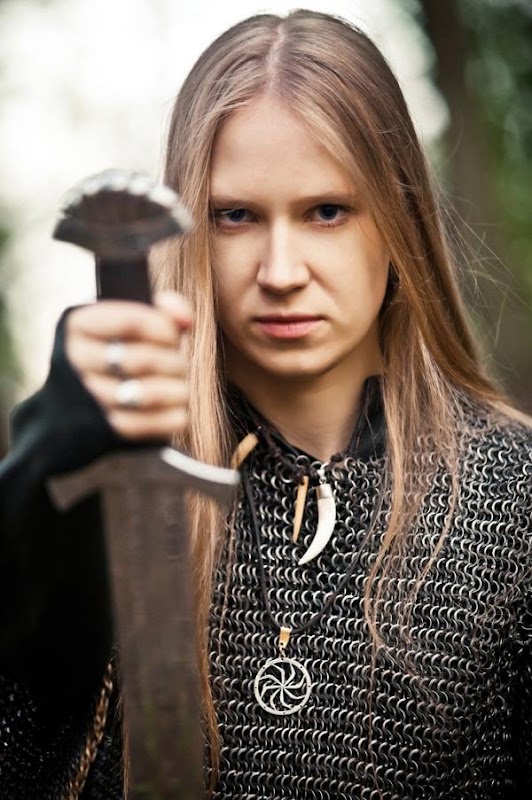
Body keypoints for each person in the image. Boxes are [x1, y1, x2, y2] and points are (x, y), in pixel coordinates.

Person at [0, 9, 531, 800]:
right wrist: (35, 520)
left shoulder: (514, 502)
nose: (281, 272)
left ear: (399, 221)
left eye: (326, 211)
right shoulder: (113, 492)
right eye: (237, 216)